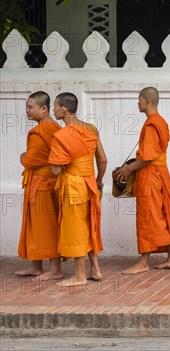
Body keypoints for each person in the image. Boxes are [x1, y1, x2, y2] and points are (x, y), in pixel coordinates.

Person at [114, 87, 170, 274]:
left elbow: (148, 157)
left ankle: (144, 261)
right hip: (160, 174)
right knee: (161, 215)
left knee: (149, 217)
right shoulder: (161, 122)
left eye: (139, 99)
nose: (138, 103)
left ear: (147, 100)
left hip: (151, 175)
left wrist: (128, 168)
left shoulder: (152, 123)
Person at [49, 92, 107, 286]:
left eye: (55, 107)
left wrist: (58, 165)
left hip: (73, 185)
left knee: (76, 228)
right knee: (88, 225)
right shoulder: (91, 129)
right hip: (90, 182)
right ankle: (96, 270)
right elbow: (103, 159)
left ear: (64, 109)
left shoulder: (60, 136)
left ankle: (80, 275)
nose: (54, 110)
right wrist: (99, 180)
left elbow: (56, 170)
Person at [16, 91, 63, 281]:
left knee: (47, 227)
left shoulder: (43, 130)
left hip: (43, 185)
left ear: (44, 109)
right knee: (35, 226)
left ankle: (55, 269)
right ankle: (36, 266)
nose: (26, 111)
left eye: (30, 107)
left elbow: (30, 160)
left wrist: (23, 157)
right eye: (26, 107)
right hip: (41, 183)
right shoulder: (52, 127)